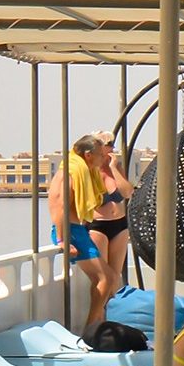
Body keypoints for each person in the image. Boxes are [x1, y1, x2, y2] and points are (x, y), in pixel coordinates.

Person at [46, 134, 119, 331]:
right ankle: (90, 328)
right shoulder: (71, 173)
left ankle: (95, 324)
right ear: (88, 155)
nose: (101, 159)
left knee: (108, 278)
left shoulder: (78, 169)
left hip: (77, 230)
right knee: (105, 278)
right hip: (71, 232)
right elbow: (60, 206)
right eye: (99, 156)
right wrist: (63, 240)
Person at [87, 131, 133, 287]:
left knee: (115, 276)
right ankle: (99, 310)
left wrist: (113, 167)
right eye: (108, 145)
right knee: (103, 277)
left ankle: (111, 310)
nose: (112, 148)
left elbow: (127, 192)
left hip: (119, 224)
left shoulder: (116, 166)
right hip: (98, 225)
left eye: (112, 144)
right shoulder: (90, 169)